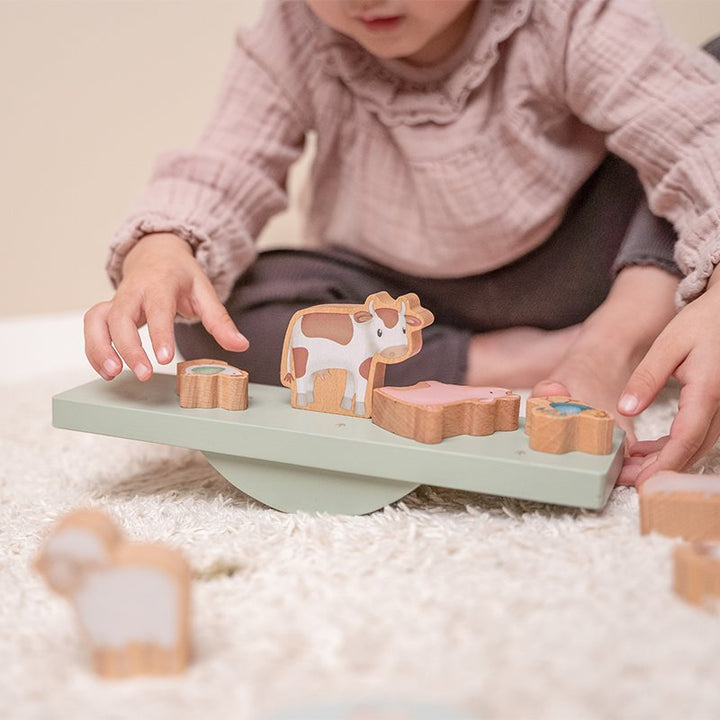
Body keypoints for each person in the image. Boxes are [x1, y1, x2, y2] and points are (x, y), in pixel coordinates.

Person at [84, 0, 720, 486]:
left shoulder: (563, 18)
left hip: (589, 266)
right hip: (398, 303)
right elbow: (226, 164)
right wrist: (163, 248)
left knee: (705, 85)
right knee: (216, 313)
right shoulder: (295, 32)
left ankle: (608, 344)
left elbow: (696, 134)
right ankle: (500, 360)